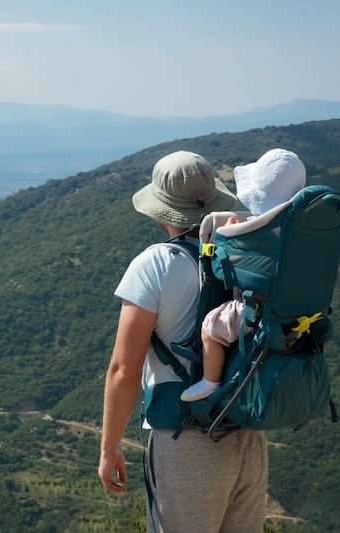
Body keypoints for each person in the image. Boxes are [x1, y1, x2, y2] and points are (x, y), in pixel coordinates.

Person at [98, 150, 269, 532]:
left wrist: (109, 449)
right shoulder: (244, 257)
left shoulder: (155, 264)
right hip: (247, 436)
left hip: (186, 440)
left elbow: (124, 370)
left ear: (162, 210)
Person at [180, 148, 307, 402]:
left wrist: (229, 234)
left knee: (210, 327)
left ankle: (210, 381)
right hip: (297, 309)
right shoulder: (302, 232)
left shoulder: (254, 233)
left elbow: (221, 268)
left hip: (257, 309)